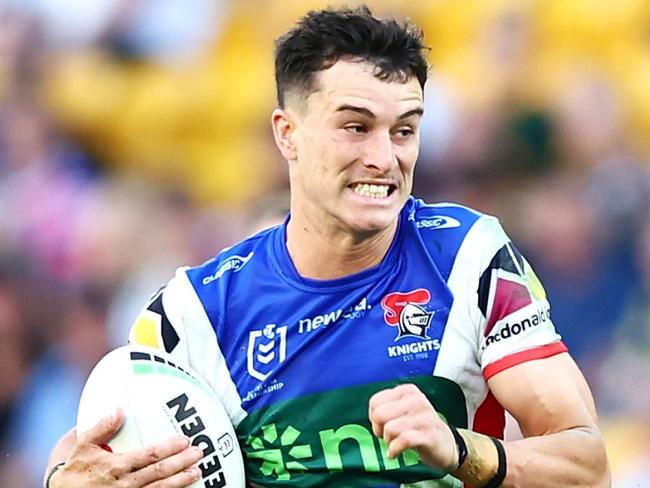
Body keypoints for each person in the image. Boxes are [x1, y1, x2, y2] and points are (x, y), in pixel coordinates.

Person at [45, 6, 610, 487]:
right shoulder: (194, 312)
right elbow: (89, 448)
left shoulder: (467, 258)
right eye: (356, 127)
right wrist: (64, 479)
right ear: (287, 133)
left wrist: (462, 450)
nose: (385, 158)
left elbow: (587, 463)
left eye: (405, 130)